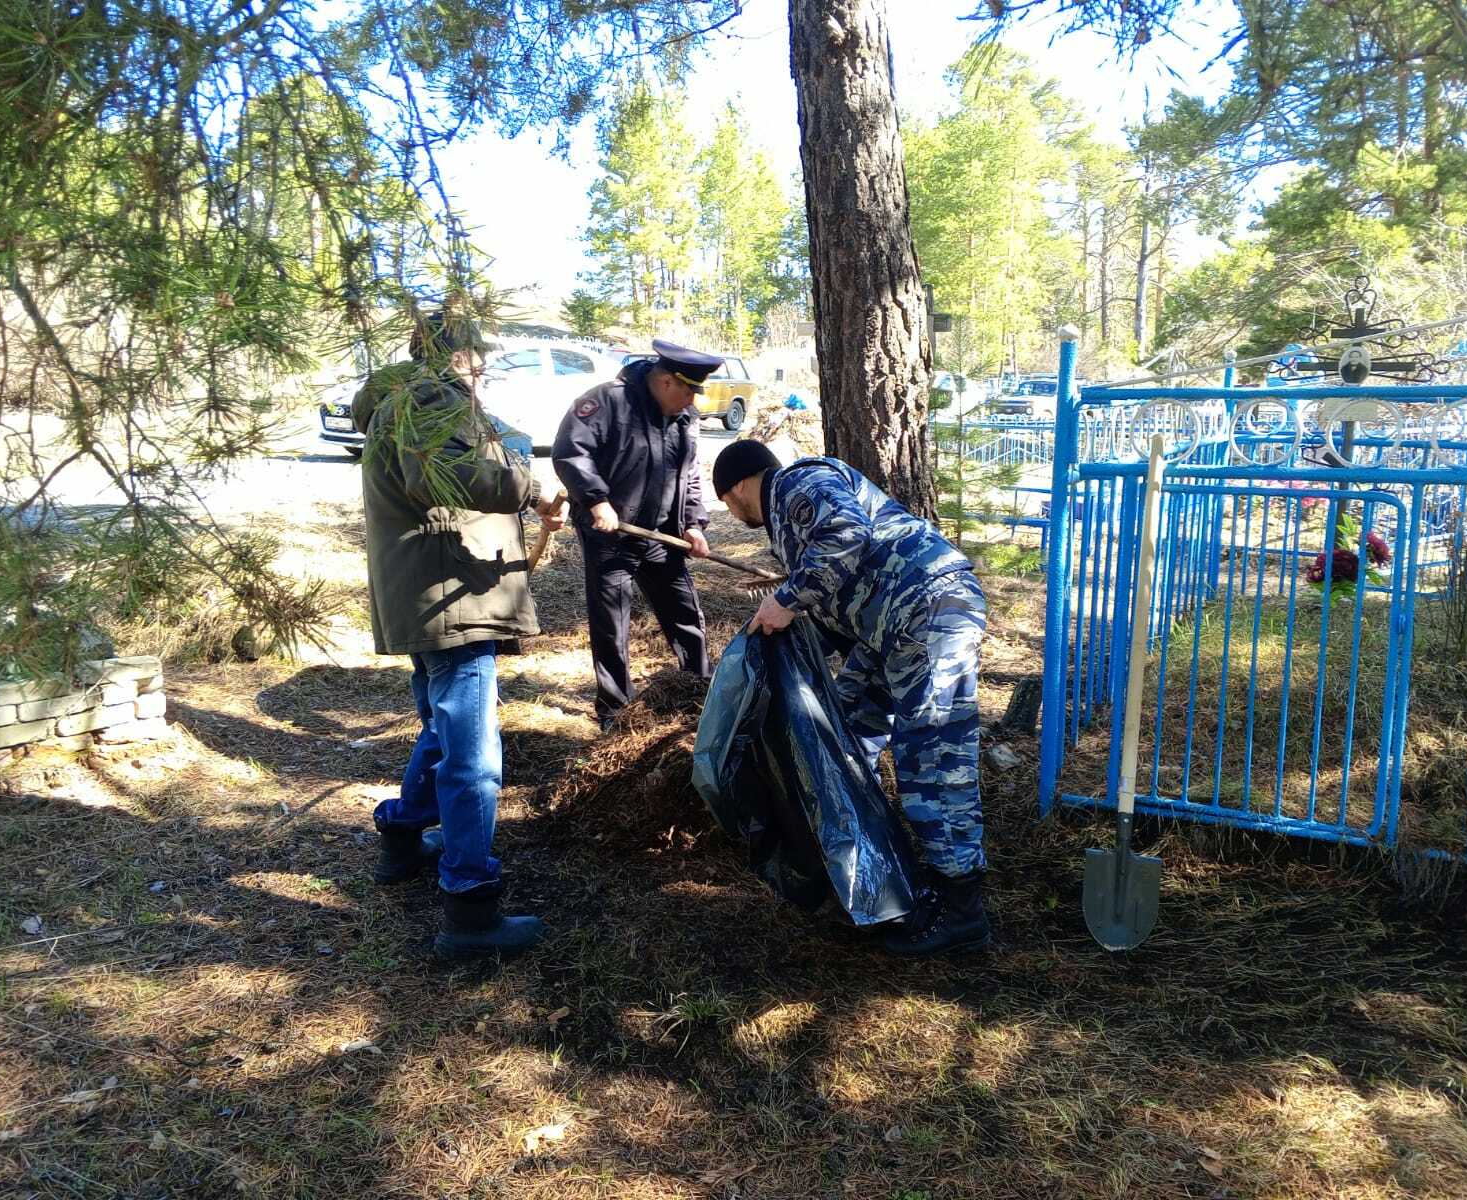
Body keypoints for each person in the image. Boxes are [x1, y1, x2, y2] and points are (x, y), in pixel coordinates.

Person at [711, 440, 990, 956]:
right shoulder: (791, 514)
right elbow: (844, 596)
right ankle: (878, 864)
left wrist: (787, 600)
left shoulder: (796, 484)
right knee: (846, 730)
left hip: (925, 614)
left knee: (931, 757)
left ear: (738, 488)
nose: (733, 512)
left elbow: (847, 533)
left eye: (728, 503)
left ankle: (963, 910)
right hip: (891, 628)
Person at [355, 310, 565, 960]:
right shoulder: (426, 398)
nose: (484, 368)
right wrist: (528, 486)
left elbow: (467, 458)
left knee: (442, 729)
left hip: (435, 592)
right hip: (451, 598)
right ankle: (471, 909)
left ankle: (403, 834)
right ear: (457, 355)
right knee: (474, 759)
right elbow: (442, 477)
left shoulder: (408, 398)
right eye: (478, 357)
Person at [551, 339, 720, 728]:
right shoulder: (607, 402)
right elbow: (571, 451)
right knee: (612, 624)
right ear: (665, 383)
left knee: (685, 614)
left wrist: (694, 523)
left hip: (662, 537)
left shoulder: (683, 418)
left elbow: (689, 474)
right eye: (689, 390)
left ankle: (700, 692)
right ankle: (615, 711)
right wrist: (597, 500)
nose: (693, 400)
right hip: (610, 535)